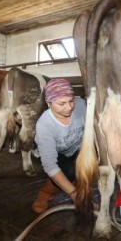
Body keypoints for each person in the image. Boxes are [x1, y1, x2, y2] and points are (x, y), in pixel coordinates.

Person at [32, 78, 86, 213]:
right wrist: (74, 194)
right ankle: (46, 193)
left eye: (71, 101)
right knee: (68, 171)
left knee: (91, 166)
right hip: (59, 154)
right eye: (61, 103)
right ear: (49, 103)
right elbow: (50, 165)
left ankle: (81, 188)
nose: (69, 107)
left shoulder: (81, 105)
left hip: (78, 148)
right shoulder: (44, 125)